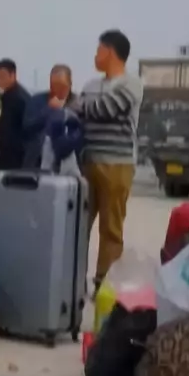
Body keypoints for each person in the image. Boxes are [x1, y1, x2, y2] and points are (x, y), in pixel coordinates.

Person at [62, 30, 144, 291]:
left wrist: (74, 103)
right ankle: (73, 284)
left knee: (111, 229)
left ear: (110, 51)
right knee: (78, 226)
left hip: (117, 164)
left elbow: (105, 109)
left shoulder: (131, 84)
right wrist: (76, 105)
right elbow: (78, 116)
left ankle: (104, 286)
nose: (95, 56)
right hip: (87, 163)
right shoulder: (89, 86)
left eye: (98, 50)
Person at [22, 64, 83, 174]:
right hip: (37, 164)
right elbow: (27, 127)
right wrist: (48, 110)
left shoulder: (79, 105)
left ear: (70, 84)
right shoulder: (37, 101)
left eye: (61, 85)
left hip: (70, 166)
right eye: (53, 85)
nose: (56, 90)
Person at [0, 59, 30, 170]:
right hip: (6, 158)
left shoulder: (20, 99)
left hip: (17, 161)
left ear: (13, 75)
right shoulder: (8, 97)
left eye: (2, 77)